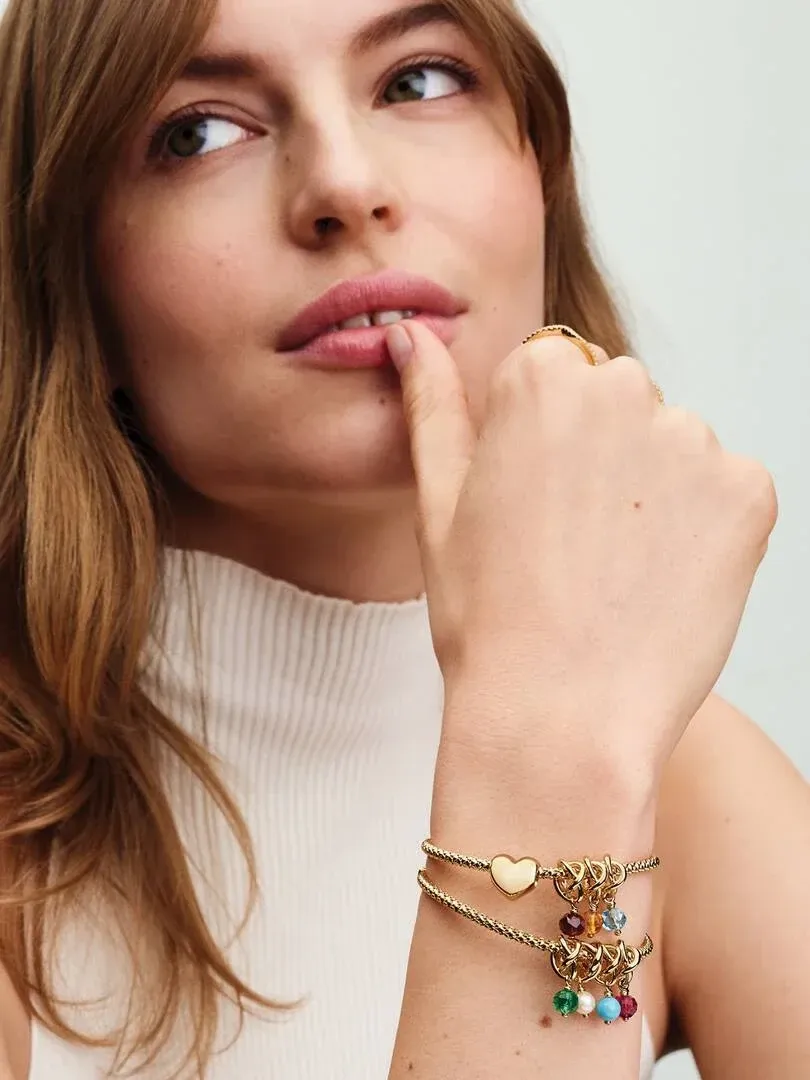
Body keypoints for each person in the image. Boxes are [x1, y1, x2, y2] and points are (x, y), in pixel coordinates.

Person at [0, 0, 807, 1077]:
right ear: (73, 286)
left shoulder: (690, 785)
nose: (345, 184)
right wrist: (544, 769)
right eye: (197, 132)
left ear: (542, 177)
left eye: (419, 80)